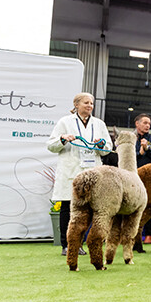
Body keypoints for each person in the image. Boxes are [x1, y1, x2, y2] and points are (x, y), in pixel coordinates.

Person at [46, 92, 113, 256]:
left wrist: (101, 144)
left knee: (87, 210)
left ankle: (81, 244)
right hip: (71, 170)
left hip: (91, 173)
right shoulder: (65, 122)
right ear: (76, 105)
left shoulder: (99, 124)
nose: (90, 106)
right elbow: (51, 145)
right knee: (68, 209)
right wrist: (63, 139)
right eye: (86, 103)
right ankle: (67, 245)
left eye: (91, 103)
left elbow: (107, 149)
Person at [134, 113, 151, 245]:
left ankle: (149, 235)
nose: (147, 125)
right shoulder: (130, 138)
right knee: (131, 205)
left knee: (149, 206)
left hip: (150, 180)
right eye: (145, 123)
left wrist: (147, 149)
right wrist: (138, 153)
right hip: (132, 176)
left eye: (149, 124)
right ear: (137, 124)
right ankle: (129, 234)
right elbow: (122, 155)